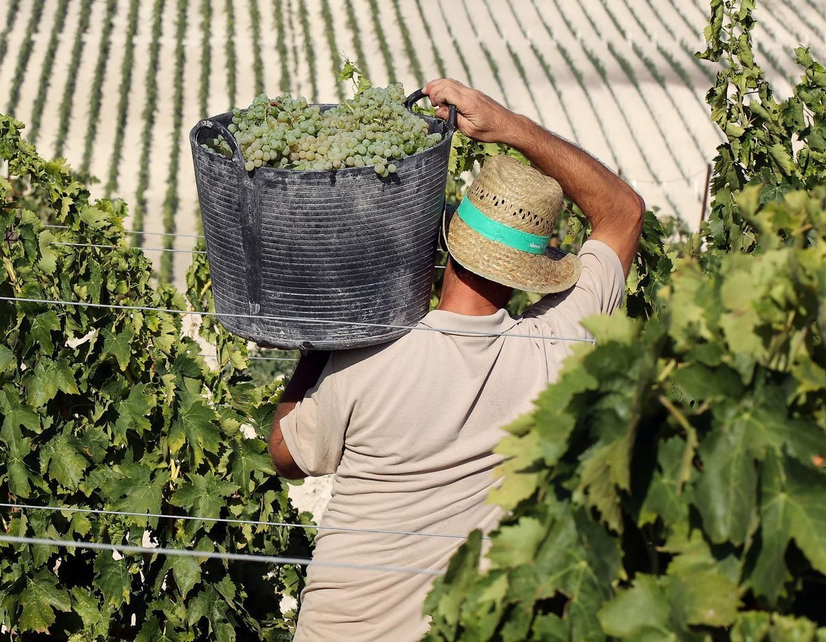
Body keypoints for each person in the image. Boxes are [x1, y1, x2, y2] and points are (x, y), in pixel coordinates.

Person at [269, 78, 646, 641]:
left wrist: (316, 347)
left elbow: (287, 456)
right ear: (535, 270)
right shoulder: (554, 352)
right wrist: (508, 125)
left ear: (448, 241)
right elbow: (624, 213)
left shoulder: (368, 352)